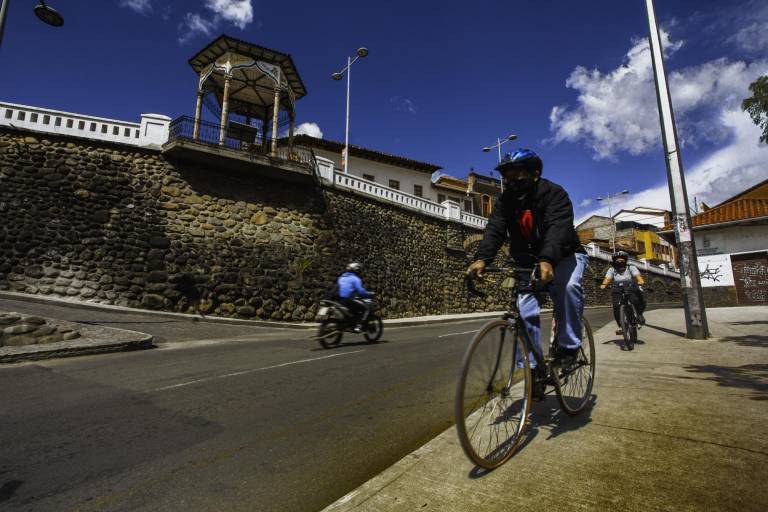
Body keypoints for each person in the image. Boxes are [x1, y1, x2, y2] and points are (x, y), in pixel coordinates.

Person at [467, 149, 589, 366]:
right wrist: (482, 259)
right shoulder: (505, 201)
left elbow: (558, 228)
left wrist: (547, 259)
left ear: (535, 174)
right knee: (524, 311)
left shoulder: (554, 193)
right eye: (508, 177)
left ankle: (569, 346)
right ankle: (531, 367)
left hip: (565, 255)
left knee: (568, 288)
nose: (513, 182)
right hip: (528, 261)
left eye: (519, 176)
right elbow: (495, 229)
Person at [600, 251, 646, 334]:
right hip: (618, 289)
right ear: (614, 261)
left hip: (631, 287)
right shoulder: (612, 269)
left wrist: (640, 281)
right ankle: (622, 326)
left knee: (637, 300)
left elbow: (638, 277)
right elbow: (608, 278)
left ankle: (639, 314)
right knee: (616, 306)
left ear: (625, 260)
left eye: (621, 260)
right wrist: (603, 285)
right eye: (617, 261)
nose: (619, 262)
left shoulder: (631, 267)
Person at [337, 262, 373, 333]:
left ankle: (350, 323)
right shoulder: (355, 279)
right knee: (366, 309)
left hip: (340, 300)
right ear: (356, 270)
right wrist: (369, 294)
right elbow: (361, 291)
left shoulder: (341, 278)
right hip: (349, 300)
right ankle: (359, 326)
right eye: (359, 270)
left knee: (354, 311)